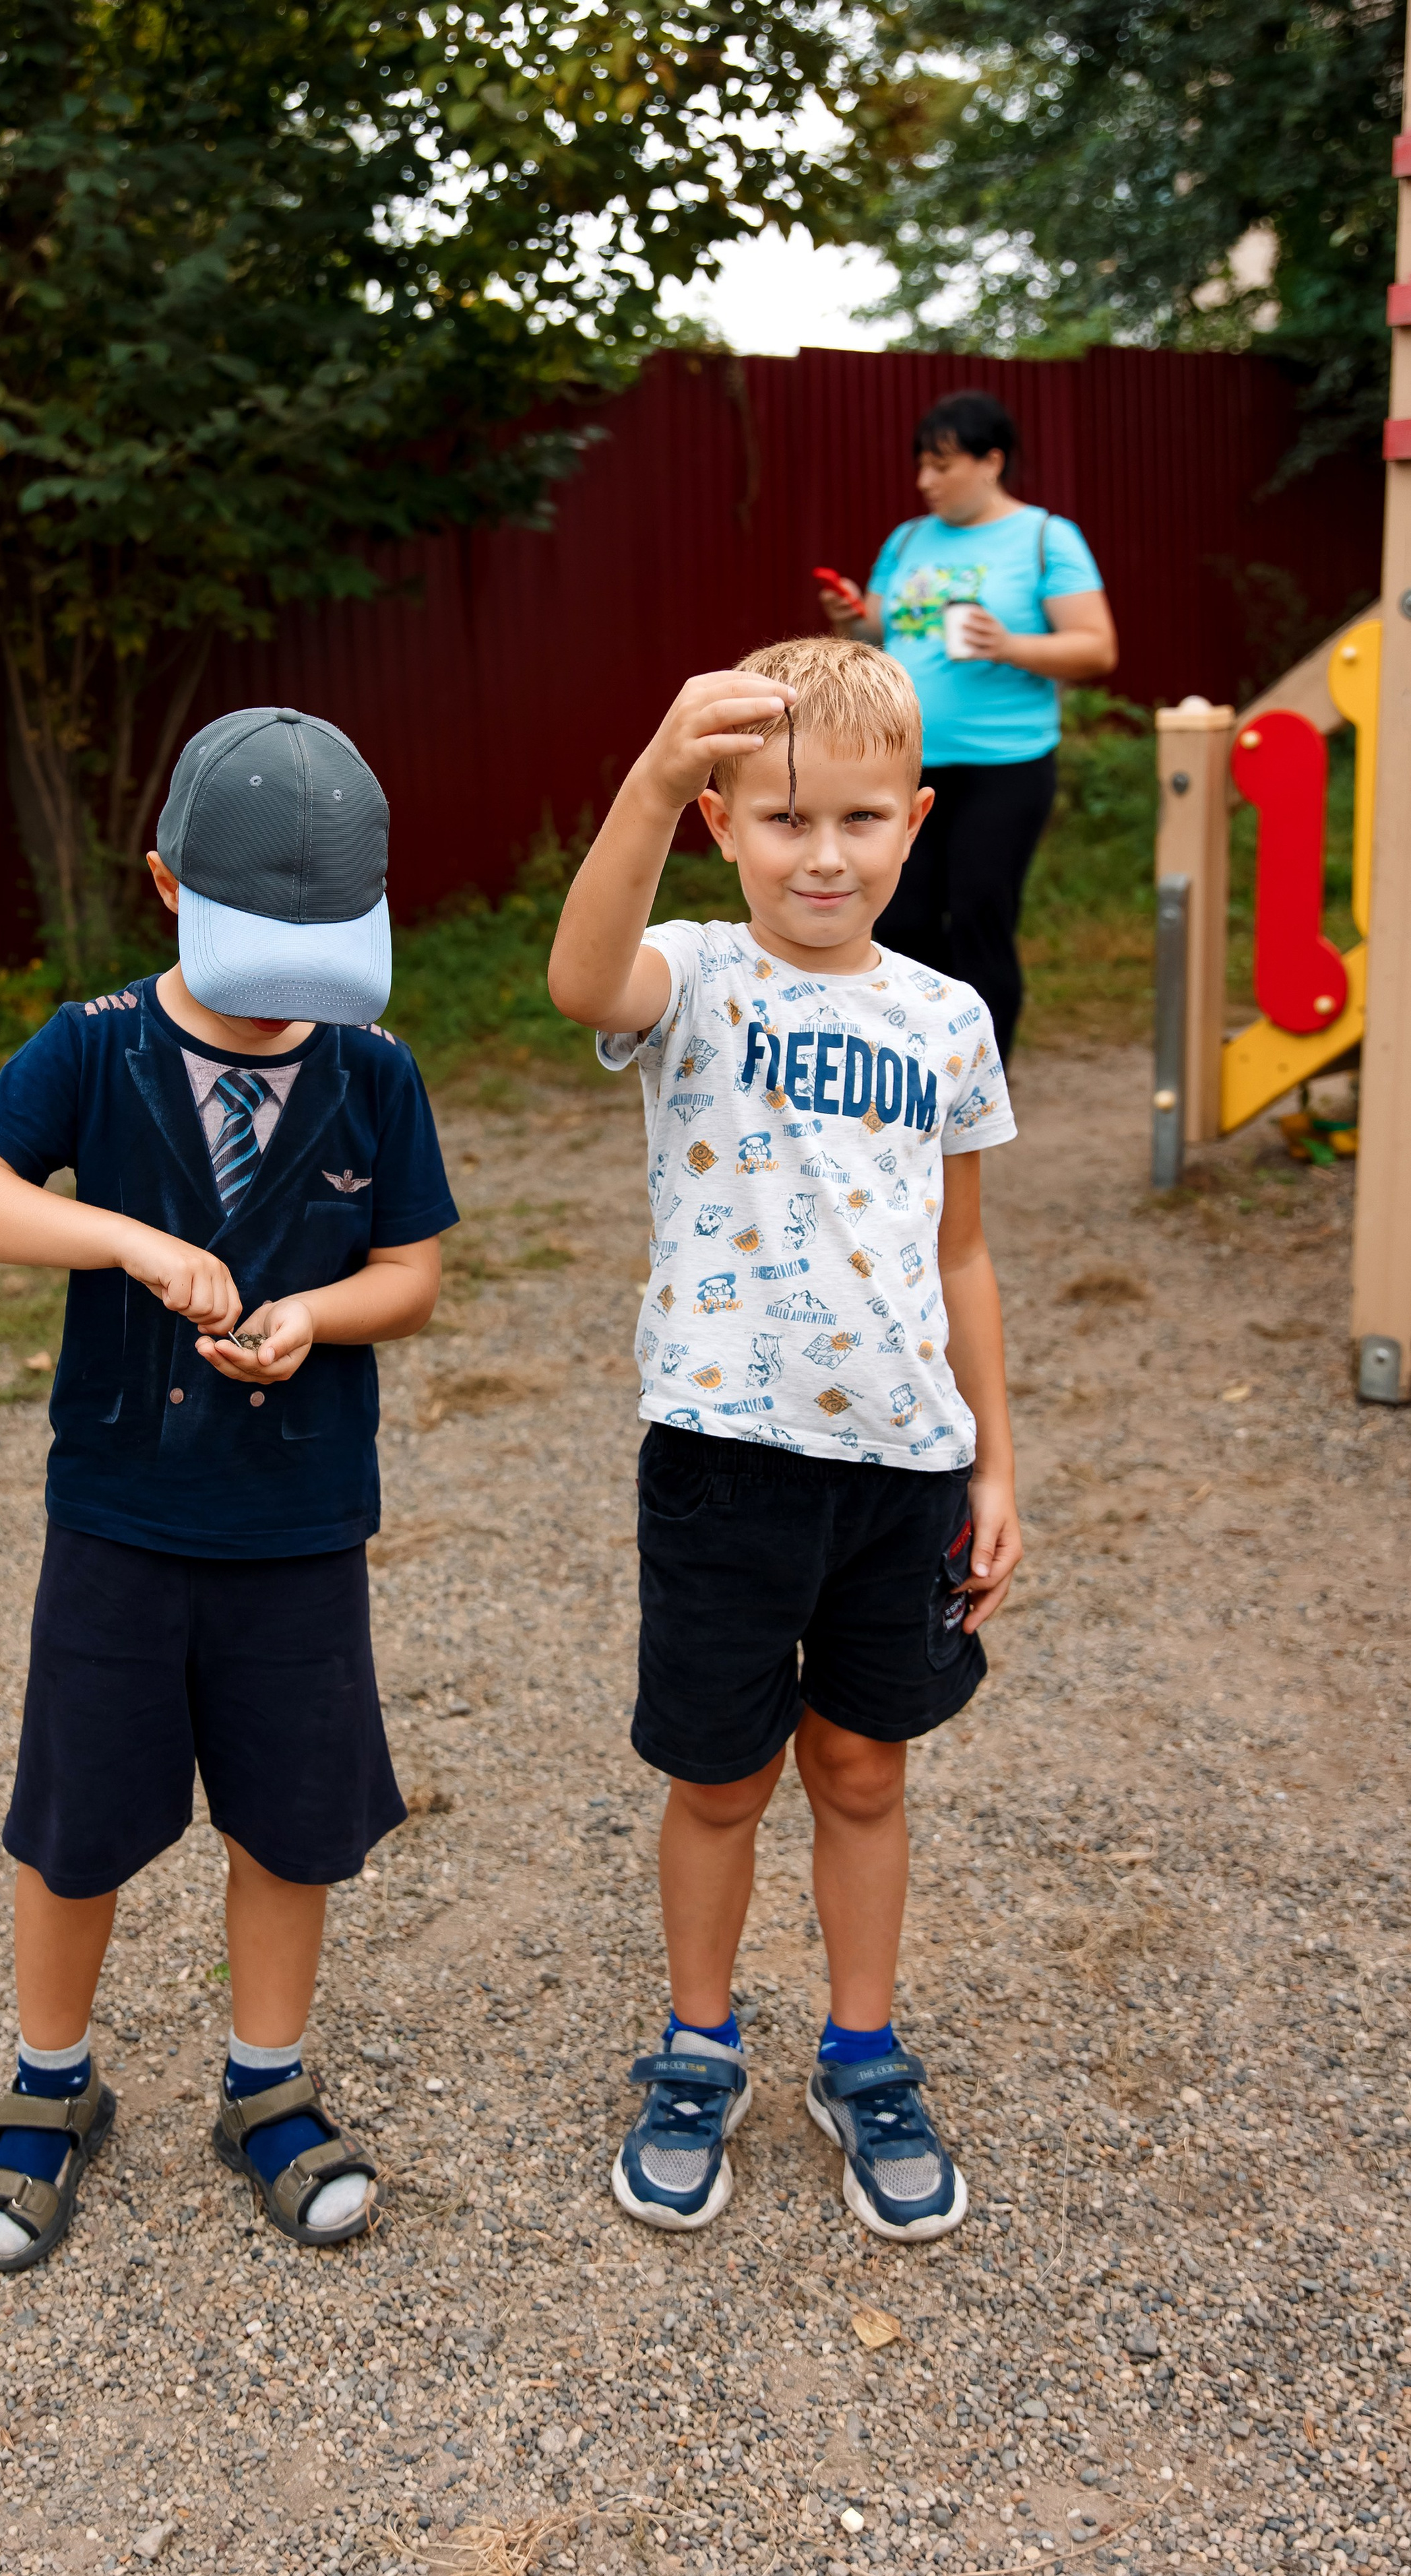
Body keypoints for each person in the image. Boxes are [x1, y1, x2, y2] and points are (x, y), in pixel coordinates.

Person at [0, 706, 460, 2270]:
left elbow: (410, 1271)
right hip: (119, 1521)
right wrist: (124, 1239)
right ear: (162, 884)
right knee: (75, 1817)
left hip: (298, 1529)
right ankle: (49, 2086)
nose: (288, 1006)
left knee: (292, 1821)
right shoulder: (90, 1046)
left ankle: (266, 2085)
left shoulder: (373, 1072)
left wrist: (317, 1314)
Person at [546, 635, 1020, 2241]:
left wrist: (993, 1462)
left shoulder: (948, 1016)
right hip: (722, 1464)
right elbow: (574, 980)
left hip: (900, 1474)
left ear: (915, 818)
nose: (823, 855)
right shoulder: (687, 977)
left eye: (861, 820)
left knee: (864, 1767)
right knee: (722, 1775)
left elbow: (960, 1255)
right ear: (720, 824)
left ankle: (862, 2048)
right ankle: (695, 2047)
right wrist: (650, 768)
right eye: (783, 820)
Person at [821, 387, 1117, 1063]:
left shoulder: (1046, 536)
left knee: (980, 915)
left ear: (991, 461)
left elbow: (1096, 647)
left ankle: (978, 1081)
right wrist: (850, 618)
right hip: (904, 762)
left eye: (941, 465)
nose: (924, 481)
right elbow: (879, 625)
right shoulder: (908, 540)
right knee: (900, 917)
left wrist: (1009, 645)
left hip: (1004, 766)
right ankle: (909, 1067)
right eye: (921, 465)